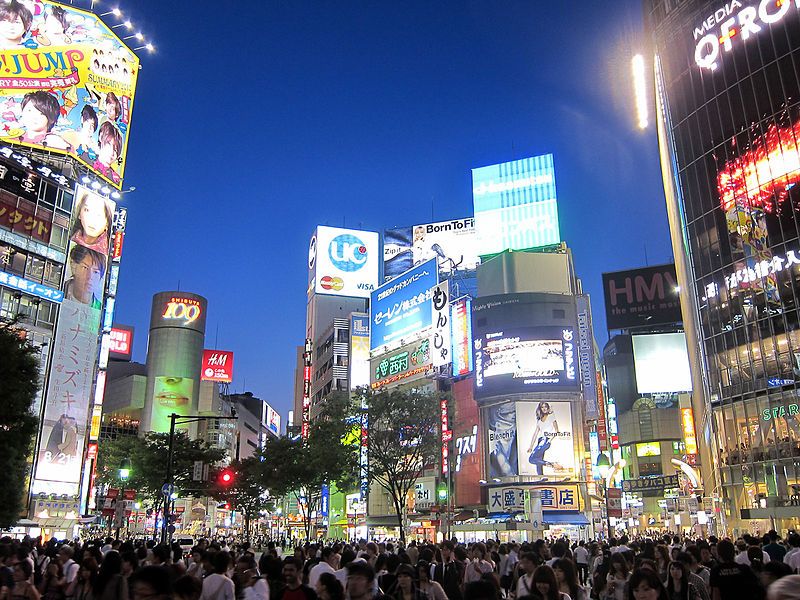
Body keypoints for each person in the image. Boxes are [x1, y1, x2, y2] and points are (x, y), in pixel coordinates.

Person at [526, 402, 561, 475]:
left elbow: (557, 431)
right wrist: (531, 446)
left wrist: (550, 440)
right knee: (538, 461)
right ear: (540, 409)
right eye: (542, 407)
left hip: (546, 439)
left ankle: (552, 464)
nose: (544, 408)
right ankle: (541, 477)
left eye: (545, 407)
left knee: (531, 459)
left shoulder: (551, 416)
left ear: (548, 408)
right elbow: (535, 434)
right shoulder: (539, 420)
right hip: (540, 440)